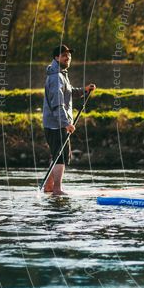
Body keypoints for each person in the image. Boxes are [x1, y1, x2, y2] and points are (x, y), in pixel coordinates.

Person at [42, 45, 96, 195]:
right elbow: (57, 104)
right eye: (64, 55)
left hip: (56, 124)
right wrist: (66, 123)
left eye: (69, 55)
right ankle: (57, 190)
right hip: (56, 125)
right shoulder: (56, 77)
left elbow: (69, 92)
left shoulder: (61, 74)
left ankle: (49, 187)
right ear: (56, 58)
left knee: (57, 154)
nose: (68, 58)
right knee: (62, 156)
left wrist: (84, 90)